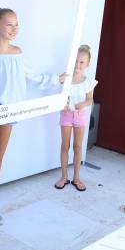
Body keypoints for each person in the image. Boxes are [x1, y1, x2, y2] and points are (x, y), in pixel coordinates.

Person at [0, 7, 66, 224]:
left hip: (11, 108)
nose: (14, 28)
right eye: (9, 24)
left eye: (16, 24)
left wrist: (56, 79)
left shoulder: (17, 52)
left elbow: (30, 75)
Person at [54, 45, 97, 191]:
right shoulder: (65, 78)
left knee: (78, 147)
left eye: (82, 62)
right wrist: (63, 104)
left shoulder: (88, 82)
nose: (78, 65)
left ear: (87, 64)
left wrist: (83, 104)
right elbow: (59, 95)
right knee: (65, 146)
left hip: (80, 116)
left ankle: (76, 178)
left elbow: (90, 99)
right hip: (66, 115)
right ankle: (64, 177)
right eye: (76, 61)